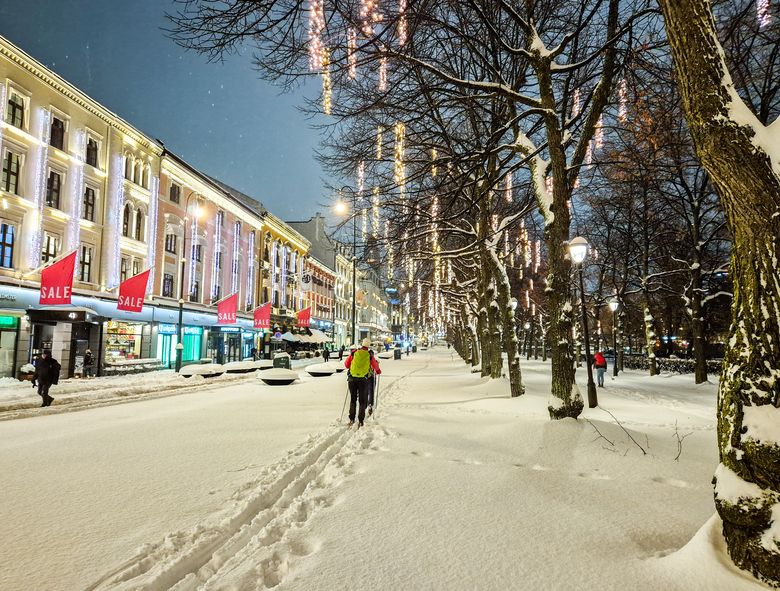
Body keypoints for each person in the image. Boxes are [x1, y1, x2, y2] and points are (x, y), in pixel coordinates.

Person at [344, 338, 381, 428]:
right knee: (362, 400)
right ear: (368, 346)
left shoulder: (354, 353)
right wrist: (378, 371)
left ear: (362, 344)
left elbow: (346, 365)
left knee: (353, 400)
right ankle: (360, 420)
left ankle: (351, 419)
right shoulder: (369, 355)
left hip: (352, 380)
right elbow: (375, 366)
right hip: (363, 380)